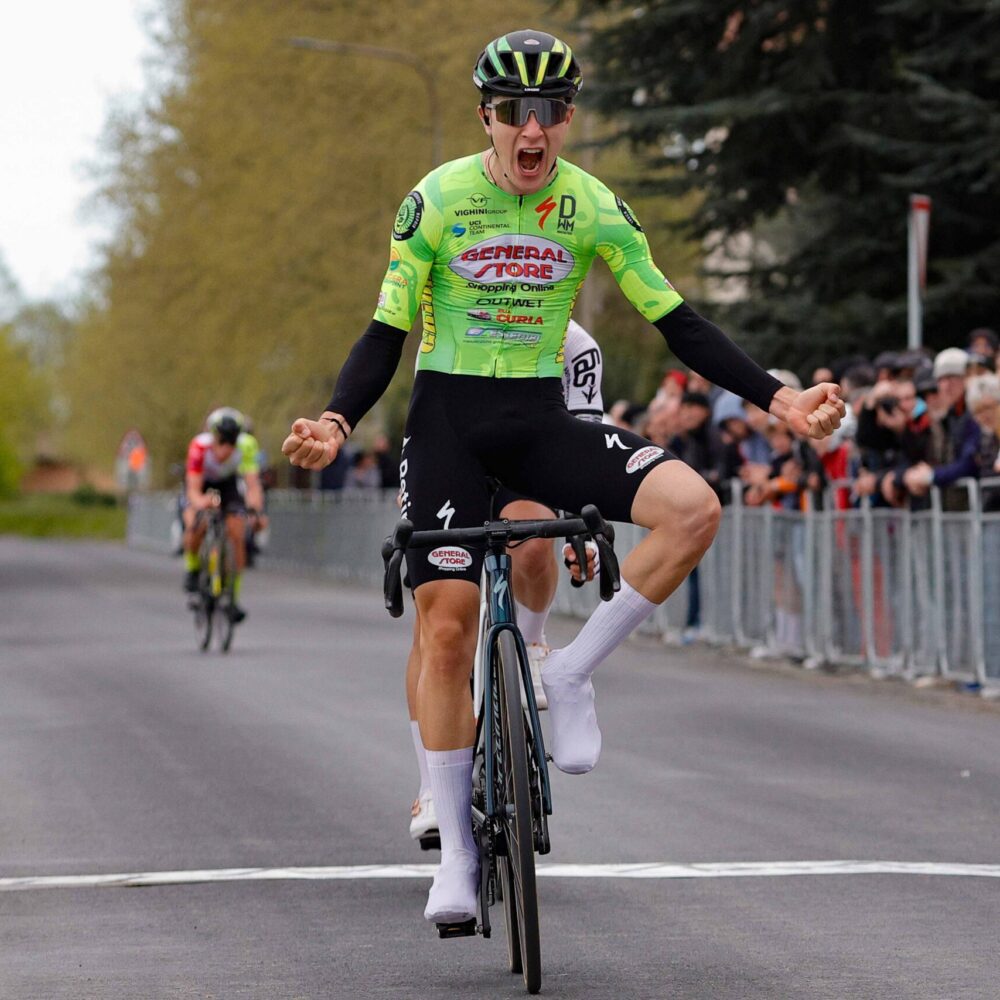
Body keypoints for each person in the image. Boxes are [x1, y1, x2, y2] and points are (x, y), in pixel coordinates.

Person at [282, 28, 843, 925]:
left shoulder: (592, 207)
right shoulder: (435, 200)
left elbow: (679, 321)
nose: (531, 131)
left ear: (569, 118)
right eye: (513, 113)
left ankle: (572, 670)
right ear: (487, 118)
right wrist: (336, 419)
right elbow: (385, 332)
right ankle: (455, 857)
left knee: (694, 509)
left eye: (547, 113)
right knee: (447, 628)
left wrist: (777, 399)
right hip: (449, 424)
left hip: (543, 422)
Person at [408, 318, 604, 849]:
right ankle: (431, 784)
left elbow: (583, 448)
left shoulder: (578, 347)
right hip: (452, 451)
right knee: (437, 629)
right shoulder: (453, 316)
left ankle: (534, 640)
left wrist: (583, 536)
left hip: (526, 460)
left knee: (535, 542)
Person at [182, 407, 264, 623]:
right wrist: (201, 502)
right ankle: (192, 570)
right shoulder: (200, 446)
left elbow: (252, 484)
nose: (226, 450)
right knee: (195, 524)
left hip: (228, 485)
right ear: (213, 437)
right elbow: (193, 488)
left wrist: (255, 510)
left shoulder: (246, 445)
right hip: (203, 482)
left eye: (231, 443)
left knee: (237, 533)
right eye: (222, 442)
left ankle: (232, 598)